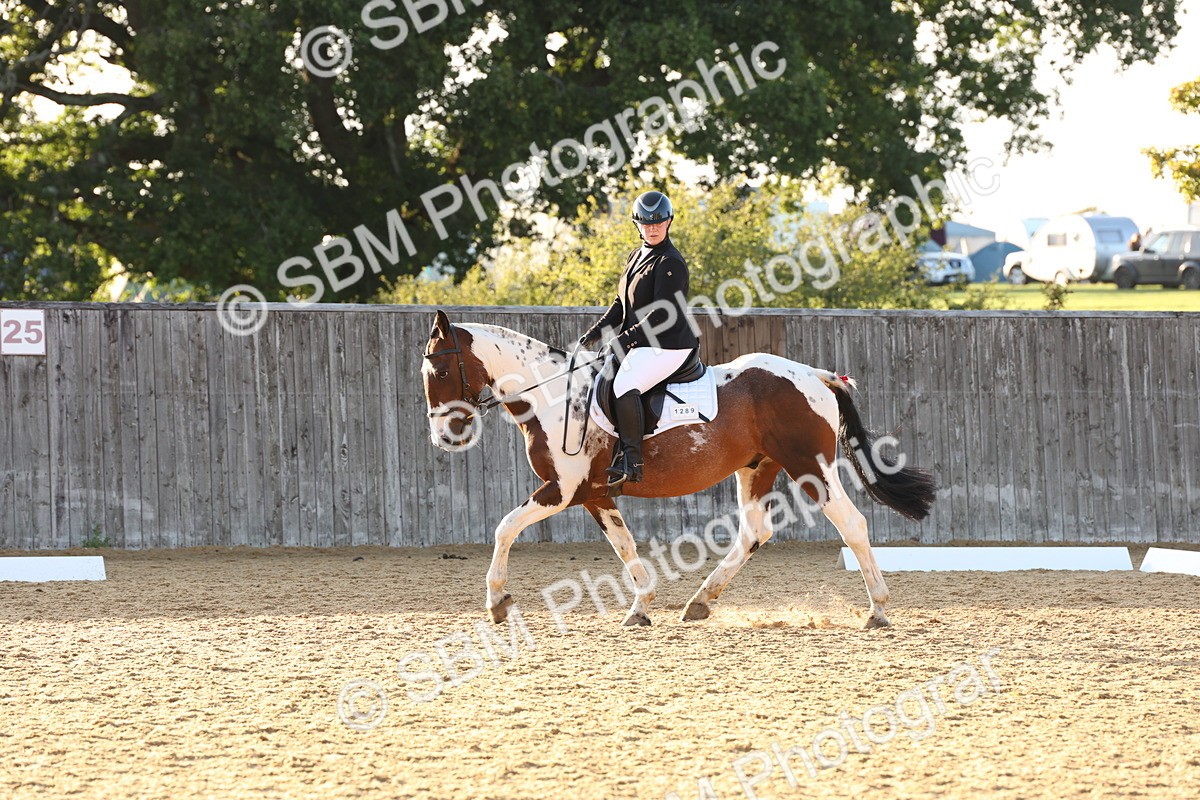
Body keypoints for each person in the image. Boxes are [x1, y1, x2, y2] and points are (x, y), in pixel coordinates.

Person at [578, 190, 700, 491]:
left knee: (624, 385)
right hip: (643, 342)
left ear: (669, 222)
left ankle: (632, 461)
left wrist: (622, 341)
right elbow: (621, 304)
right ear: (637, 225)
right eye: (646, 223)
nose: (652, 228)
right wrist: (595, 332)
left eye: (658, 222)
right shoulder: (636, 256)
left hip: (669, 344)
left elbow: (661, 315)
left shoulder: (670, 262)